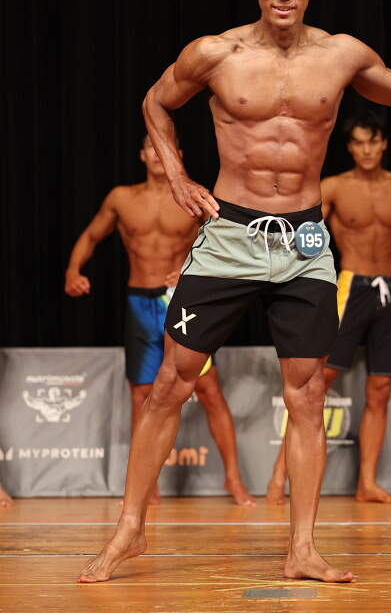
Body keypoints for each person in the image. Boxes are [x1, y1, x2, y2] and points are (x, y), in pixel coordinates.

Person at [78, 0, 391, 586]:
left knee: (310, 392)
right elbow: (156, 100)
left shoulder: (342, 55)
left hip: (305, 242)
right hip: (229, 234)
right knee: (172, 382)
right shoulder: (215, 53)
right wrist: (176, 173)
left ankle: (303, 549)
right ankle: (130, 530)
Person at [266, 110, 391, 506]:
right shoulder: (335, 187)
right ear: (350, 148)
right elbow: (305, 236)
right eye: (358, 143)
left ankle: (367, 483)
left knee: (381, 389)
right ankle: (277, 478)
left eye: (373, 141)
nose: (366, 150)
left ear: (383, 144)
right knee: (314, 384)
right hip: (349, 287)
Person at [65, 134, 255, 507]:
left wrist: (189, 267)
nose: (156, 153)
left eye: (163, 147)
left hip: (181, 302)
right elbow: (90, 236)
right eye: (150, 147)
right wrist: (73, 270)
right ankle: (146, 485)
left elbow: (228, 243)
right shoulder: (121, 198)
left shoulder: (193, 198)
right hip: (139, 303)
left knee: (208, 390)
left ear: (177, 154)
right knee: (141, 395)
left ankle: (234, 479)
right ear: (141, 155)